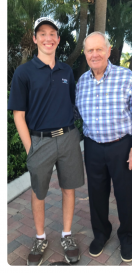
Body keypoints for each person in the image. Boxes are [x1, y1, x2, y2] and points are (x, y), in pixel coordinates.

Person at [8, 17, 85, 266]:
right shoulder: (23, 73)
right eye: (42, 33)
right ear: (35, 39)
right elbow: (18, 115)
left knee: (68, 188)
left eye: (52, 33)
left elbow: (73, 103)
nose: (48, 38)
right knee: (38, 192)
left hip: (68, 138)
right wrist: (31, 148)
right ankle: (40, 237)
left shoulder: (66, 71)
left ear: (58, 39)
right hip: (39, 141)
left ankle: (66, 235)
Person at [76, 31, 132, 262]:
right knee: (96, 194)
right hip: (93, 147)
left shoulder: (126, 77)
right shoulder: (82, 82)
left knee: (124, 194)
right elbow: (77, 114)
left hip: (121, 146)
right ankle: (101, 233)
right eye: (90, 50)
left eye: (99, 49)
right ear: (85, 54)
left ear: (108, 51)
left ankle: (126, 237)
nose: (94, 54)